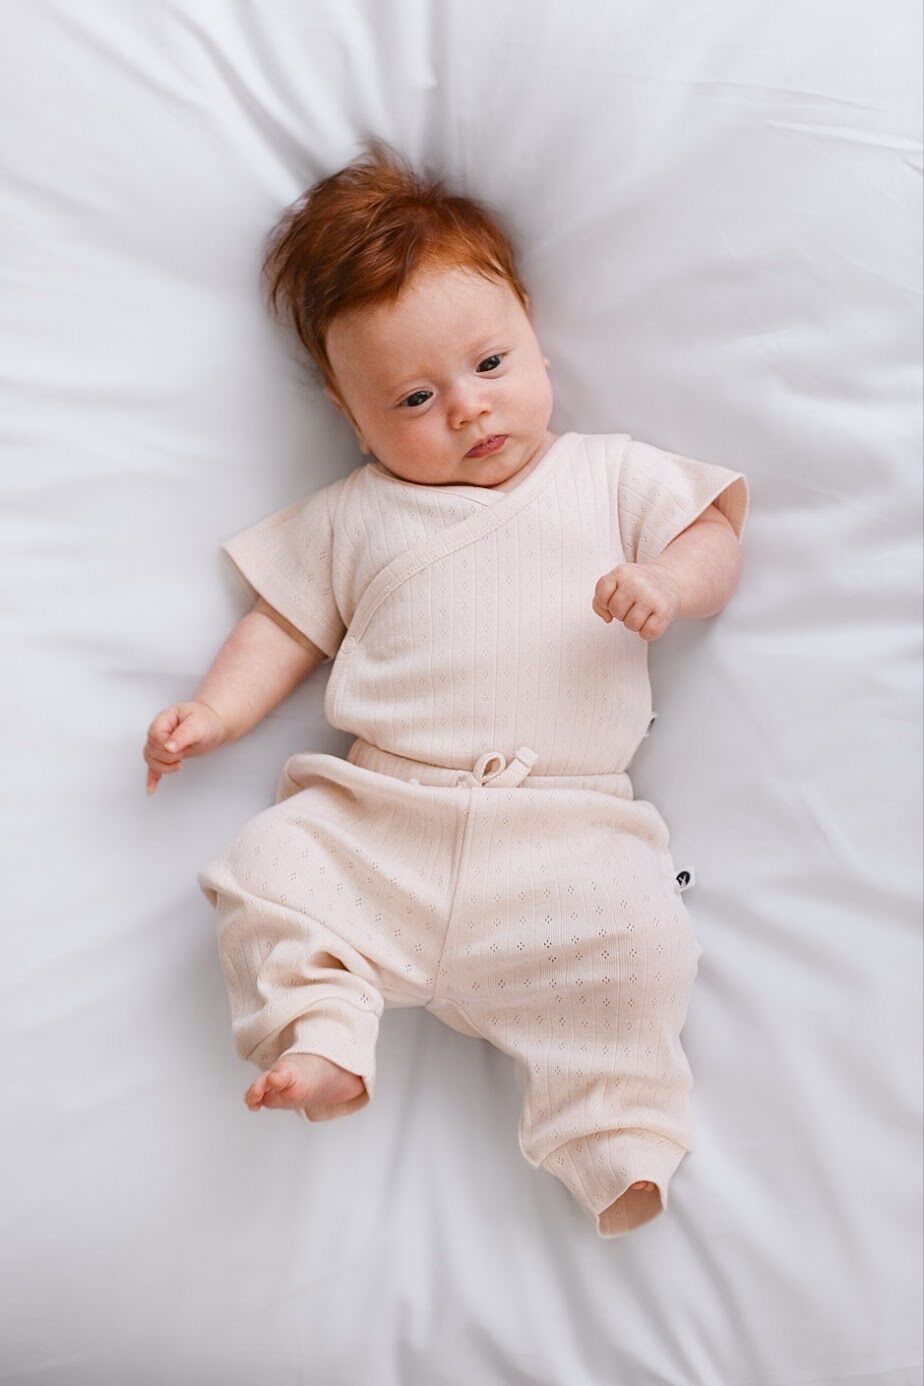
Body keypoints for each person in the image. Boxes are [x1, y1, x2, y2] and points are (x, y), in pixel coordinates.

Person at [143, 139, 749, 1238]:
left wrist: (669, 579)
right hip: (383, 819)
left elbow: (711, 530)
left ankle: (614, 1137)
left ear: (530, 326)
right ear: (349, 409)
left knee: (641, 949)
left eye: (490, 364)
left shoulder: (609, 474)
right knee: (268, 868)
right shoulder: (354, 513)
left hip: (565, 825)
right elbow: (281, 623)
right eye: (415, 396)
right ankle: (323, 1035)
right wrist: (218, 712)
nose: (469, 411)